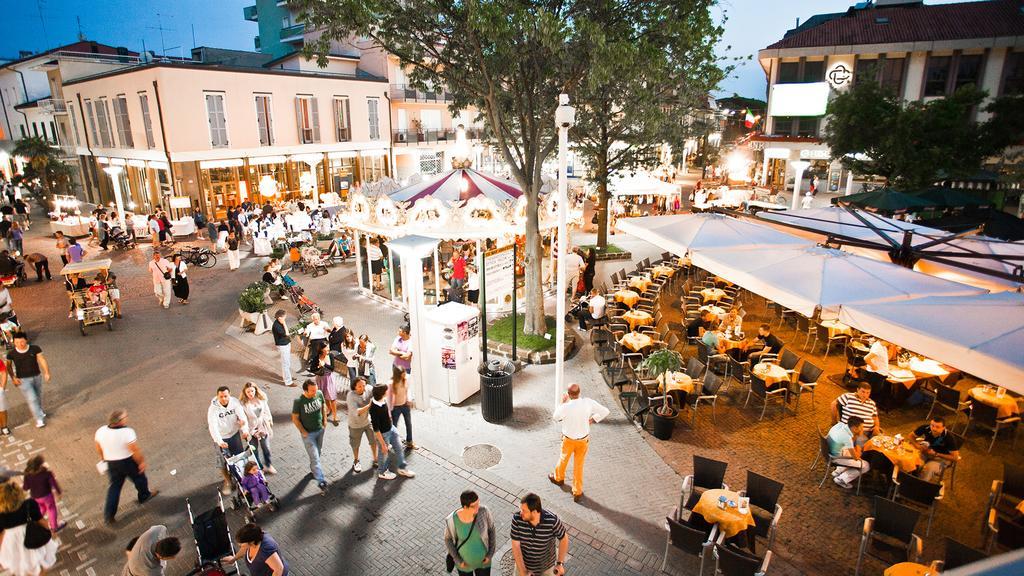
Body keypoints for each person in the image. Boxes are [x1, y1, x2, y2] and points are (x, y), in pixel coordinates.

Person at [548, 384, 609, 503]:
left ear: (569, 394)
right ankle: (577, 491)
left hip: (568, 440)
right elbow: (605, 411)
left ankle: (558, 478)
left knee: (563, 458)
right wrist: (592, 420)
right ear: (579, 393)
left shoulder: (566, 406)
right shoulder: (588, 403)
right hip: (583, 440)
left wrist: (562, 403)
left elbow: (556, 417)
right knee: (579, 465)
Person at [95, 410, 157, 525]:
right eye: (125, 417)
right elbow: (134, 450)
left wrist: (104, 458)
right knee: (140, 479)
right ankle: (144, 495)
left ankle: (109, 515)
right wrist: (141, 462)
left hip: (111, 463)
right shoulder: (127, 432)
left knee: (114, 487)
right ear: (120, 421)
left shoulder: (101, 431)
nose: (127, 418)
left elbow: (98, 447)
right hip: (127, 462)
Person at [0, 482, 59, 575]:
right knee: (39, 562)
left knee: (19, 564)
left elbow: (1, 535)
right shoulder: (29, 504)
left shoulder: (1, 513)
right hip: (31, 535)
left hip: (12, 542)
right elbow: (42, 521)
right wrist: (49, 532)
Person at [362, 384, 415, 481]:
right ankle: (382, 472)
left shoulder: (382, 400)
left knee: (399, 447)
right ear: (382, 393)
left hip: (391, 428)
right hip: (383, 434)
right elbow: (376, 429)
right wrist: (383, 444)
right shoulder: (374, 409)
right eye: (386, 391)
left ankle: (402, 468)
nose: (387, 392)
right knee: (383, 453)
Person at [510, 493, 568, 576]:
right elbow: (516, 546)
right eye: (521, 509)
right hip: (524, 565)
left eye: (524, 511)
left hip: (546, 567)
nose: (520, 513)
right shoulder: (517, 519)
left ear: (534, 512)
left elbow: (564, 538)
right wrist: (523, 571)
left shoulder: (552, 521)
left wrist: (560, 563)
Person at [207, 386, 250, 495]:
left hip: (234, 434)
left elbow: (242, 418)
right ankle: (228, 481)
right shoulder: (213, 409)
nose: (223, 399)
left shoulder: (235, 403)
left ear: (229, 395)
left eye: (226, 396)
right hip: (221, 438)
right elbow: (213, 426)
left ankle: (242, 479)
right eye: (221, 396)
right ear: (217, 396)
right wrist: (219, 441)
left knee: (239, 457)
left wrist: (244, 430)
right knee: (222, 460)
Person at [444, 490, 496, 576]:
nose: (478, 507)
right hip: (464, 565)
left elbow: (492, 530)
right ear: (465, 507)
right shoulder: (452, 519)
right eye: (474, 506)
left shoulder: (484, 511)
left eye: (478, 503)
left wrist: (490, 554)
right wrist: (458, 560)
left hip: (483, 563)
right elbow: (447, 539)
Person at [3, 333, 50, 428]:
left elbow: (41, 360)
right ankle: (39, 419)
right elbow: (8, 367)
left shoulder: (35, 348)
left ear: (26, 340)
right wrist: (13, 378)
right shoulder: (11, 354)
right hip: (23, 380)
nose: (19, 344)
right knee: (32, 399)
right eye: (16, 342)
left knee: (38, 395)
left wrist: (46, 372)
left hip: (37, 376)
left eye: (21, 341)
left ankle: (39, 410)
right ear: (14, 342)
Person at [291, 380, 328, 493]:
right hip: (308, 434)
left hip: (320, 429)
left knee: (319, 452)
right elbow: (295, 418)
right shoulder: (298, 402)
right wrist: (303, 431)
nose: (315, 392)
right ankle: (321, 481)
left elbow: (323, 405)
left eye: (316, 389)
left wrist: (324, 420)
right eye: (312, 391)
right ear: (305, 390)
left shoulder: (319, 394)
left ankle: (314, 470)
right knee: (315, 457)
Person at [222, 523, 289, 576]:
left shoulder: (266, 550)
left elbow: (279, 569)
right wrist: (234, 559)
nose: (240, 546)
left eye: (242, 544)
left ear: (251, 542)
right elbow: (244, 548)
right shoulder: (255, 537)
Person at [240, 382, 276, 474]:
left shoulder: (262, 399)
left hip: (263, 427)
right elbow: (243, 419)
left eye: (252, 391)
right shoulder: (243, 404)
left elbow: (266, 410)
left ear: (255, 390)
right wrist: (245, 431)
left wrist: (269, 420)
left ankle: (268, 465)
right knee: (254, 450)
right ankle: (259, 468)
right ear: (245, 393)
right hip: (251, 429)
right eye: (248, 392)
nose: (250, 393)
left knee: (266, 447)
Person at [826, 416, 870, 490]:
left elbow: (850, 444)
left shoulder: (840, 425)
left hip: (829, 450)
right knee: (865, 465)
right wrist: (859, 448)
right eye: (861, 427)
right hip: (836, 458)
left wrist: (856, 436)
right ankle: (841, 479)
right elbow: (856, 457)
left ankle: (837, 471)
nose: (863, 429)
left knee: (850, 453)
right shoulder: (847, 437)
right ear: (854, 428)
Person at [22, 455, 63, 532]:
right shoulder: (47, 473)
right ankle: (54, 527)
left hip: (35, 498)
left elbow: (25, 487)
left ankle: (36, 523)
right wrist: (59, 492)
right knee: (51, 509)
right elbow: (54, 484)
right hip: (47, 496)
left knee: (42, 508)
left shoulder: (28, 475)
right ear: (39, 465)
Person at [913, 416, 960, 483]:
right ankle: (911, 481)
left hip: (942, 459)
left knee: (928, 468)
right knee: (915, 462)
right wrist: (917, 446)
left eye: (937, 427)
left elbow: (955, 458)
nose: (934, 429)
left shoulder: (949, 438)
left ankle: (919, 487)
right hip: (927, 452)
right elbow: (910, 436)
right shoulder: (926, 428)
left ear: (943, 428)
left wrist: (936, 454)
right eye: (932, 425)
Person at [347, 377, 377, 474]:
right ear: (354, 387)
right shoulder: (351, 396)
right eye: (359, 386)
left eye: (364, 385)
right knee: (355, 444)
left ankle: (376, 459)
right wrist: (369, 405)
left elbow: (377, 393)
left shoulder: (368, 388)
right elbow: (357, 412)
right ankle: (356, 461)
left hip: (367, 421)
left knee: (373, 441)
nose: (363, 388)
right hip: (355, 424)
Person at [314, 346, 340, 426]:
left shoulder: (330, 355)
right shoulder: (317, 356)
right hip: (320, 378)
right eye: (326, 348)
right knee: (325, 396)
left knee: (332, 397)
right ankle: (329, 409)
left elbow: (332, 368)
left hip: (329, 378)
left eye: (328, 348)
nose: (328, 349)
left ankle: (335, 416)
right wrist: (317, 367)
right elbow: (313, 368)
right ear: (322, 349)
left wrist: (324, 364)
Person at [389, 369, 414, 449]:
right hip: (396, 407)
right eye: (403, 373)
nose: (404, 375)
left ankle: (409, 442)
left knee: (408, 424)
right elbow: (389, 398)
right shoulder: (391, 383)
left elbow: (408, 390)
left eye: (404, 373)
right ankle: (392, 442)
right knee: (394, 425)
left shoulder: (406, 380)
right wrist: (389, 412)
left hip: (405, 405)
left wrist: (409, 400)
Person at [271, 310, 294, 387]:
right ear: (279, 318)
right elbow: (287, 333)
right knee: (285, 363)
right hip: (283, 346)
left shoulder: (279, 322)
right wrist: (284, 323)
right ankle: (288, 381)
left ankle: (288, 376)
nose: (285, 319)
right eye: (284, 318)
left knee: (287, 362)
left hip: (286, 343)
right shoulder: (276, 326)